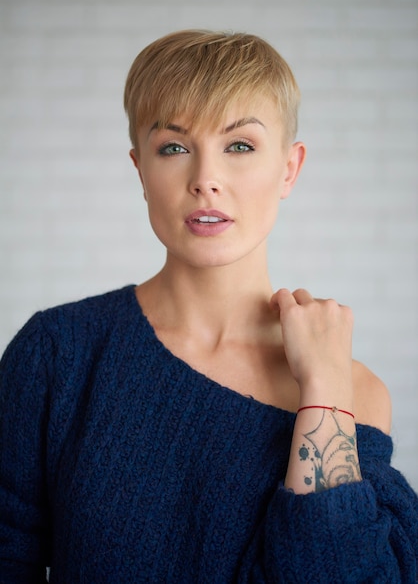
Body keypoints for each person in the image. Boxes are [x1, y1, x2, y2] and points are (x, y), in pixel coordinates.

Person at [0, 29, 417, 584]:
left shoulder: (352, 390)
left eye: (239, 146)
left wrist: (322, 386)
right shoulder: (59, 352)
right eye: (174, 148)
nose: (206, 181)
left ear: (289, 169)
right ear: (140, 170)